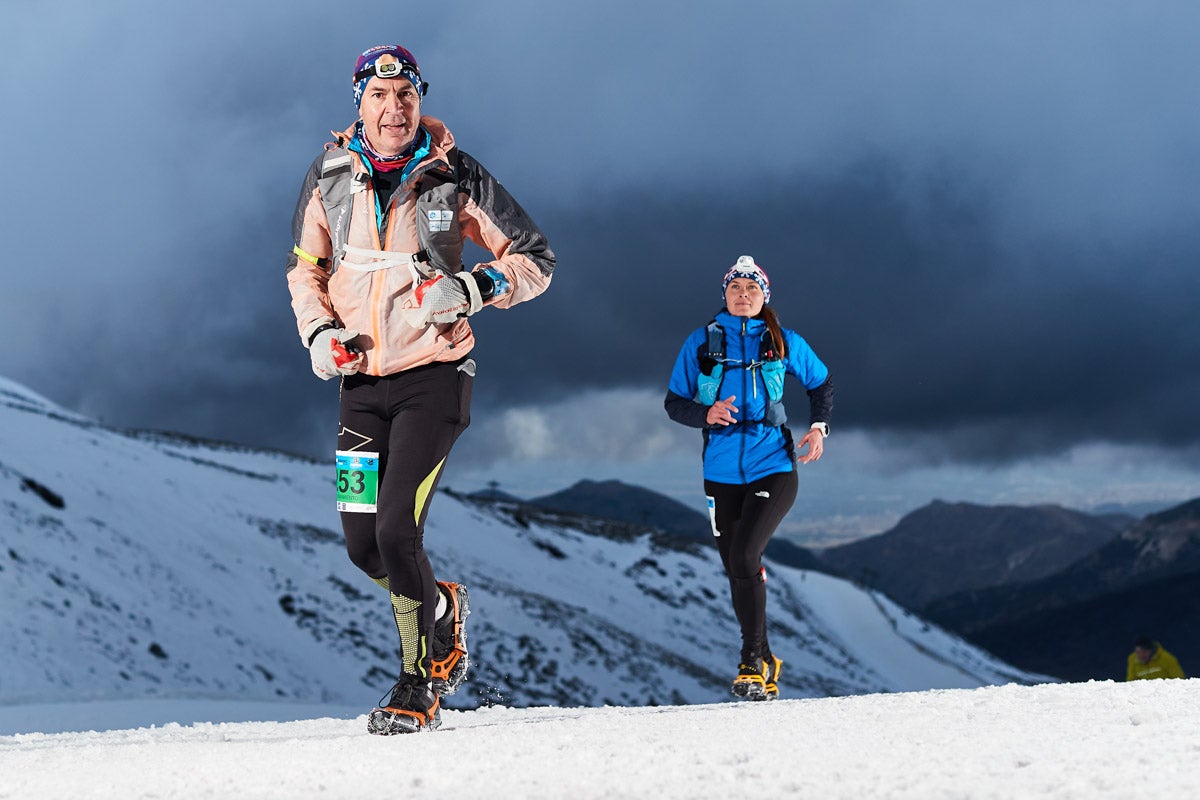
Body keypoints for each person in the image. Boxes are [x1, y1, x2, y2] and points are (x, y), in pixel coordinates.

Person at [286, 44, 555, 734]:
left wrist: (474, 288)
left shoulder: (454, 174)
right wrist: (319, 336)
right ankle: (440, 608)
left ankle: (418, 684)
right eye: (378, 97)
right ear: (359, 103)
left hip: (434, 376)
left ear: (419, 99)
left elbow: (534, 258)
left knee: (397, 528)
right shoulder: (327, 175)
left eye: (404, 95)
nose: (393, 108)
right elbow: (304, 272)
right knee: (362, 544)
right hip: (358, 384)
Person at [665, 256, 833, 701]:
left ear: (764, 297)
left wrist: (819, 427)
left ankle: (750, 661)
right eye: (736, 288)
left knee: (744, 554)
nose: (743, 295)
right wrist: (706, 412)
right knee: (737, 567)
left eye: (752, 289)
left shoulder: (783, 341)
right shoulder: (702, 343)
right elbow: (673, 403)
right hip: (719, 472)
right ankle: (768, 660)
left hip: (773, 464)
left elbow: (821, 384)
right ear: (725, 295)